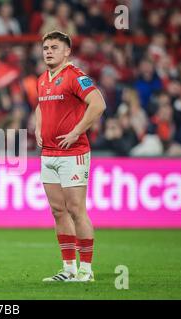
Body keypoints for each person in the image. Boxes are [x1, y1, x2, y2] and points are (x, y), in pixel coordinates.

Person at [34, 31, 106, 282]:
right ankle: (68, 269)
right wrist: (37, 127)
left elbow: (98, 104)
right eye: (45, 48)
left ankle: (86, 270)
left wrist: (77, 131)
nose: (48, 51)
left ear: (67, 52)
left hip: (72, 153)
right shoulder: (43, 78)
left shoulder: (76, 77)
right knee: (57, 211)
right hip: (49, 153)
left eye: (54, 47)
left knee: (76, 209)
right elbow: (41, 105)